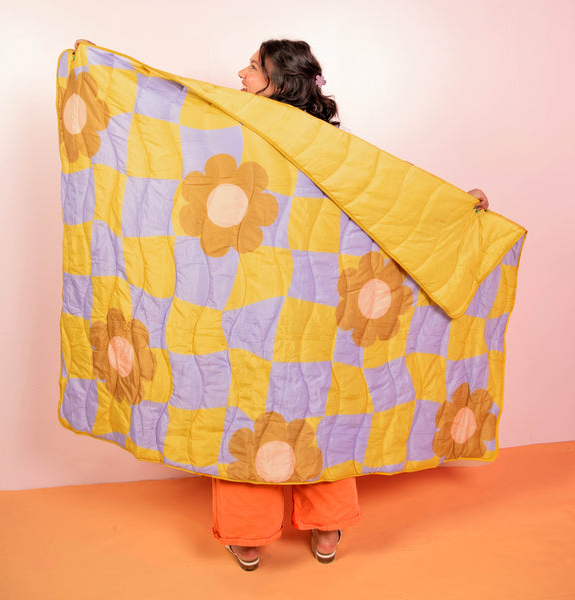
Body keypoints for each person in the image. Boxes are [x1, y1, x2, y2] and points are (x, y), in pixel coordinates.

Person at [72, 38, 489, 571]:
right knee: (249, 398)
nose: (240, 73)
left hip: (316, 292)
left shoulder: (328, 144)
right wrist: (106, 80)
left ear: (280, 79)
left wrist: (457, 207)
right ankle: (269, 524)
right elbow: (169, 149)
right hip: (247, 289)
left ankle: (316, 519)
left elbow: (389, 198)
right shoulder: (228, 123)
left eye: (252, 66)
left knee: (316, 399)